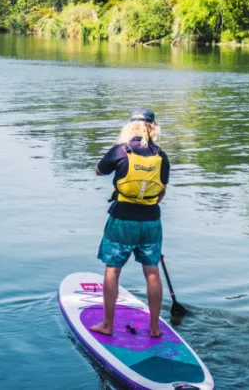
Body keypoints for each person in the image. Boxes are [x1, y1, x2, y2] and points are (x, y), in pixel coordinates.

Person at [90, 108, 170, 338]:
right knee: (152, 272)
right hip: (151, 221)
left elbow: (99, 171)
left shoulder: (120, 150)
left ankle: (107, 325)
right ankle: (154, 328)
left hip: (122, 219)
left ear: (129, 127)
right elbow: (161, 192)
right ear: (153, 128)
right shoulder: (162, 156)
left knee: (113, 270)